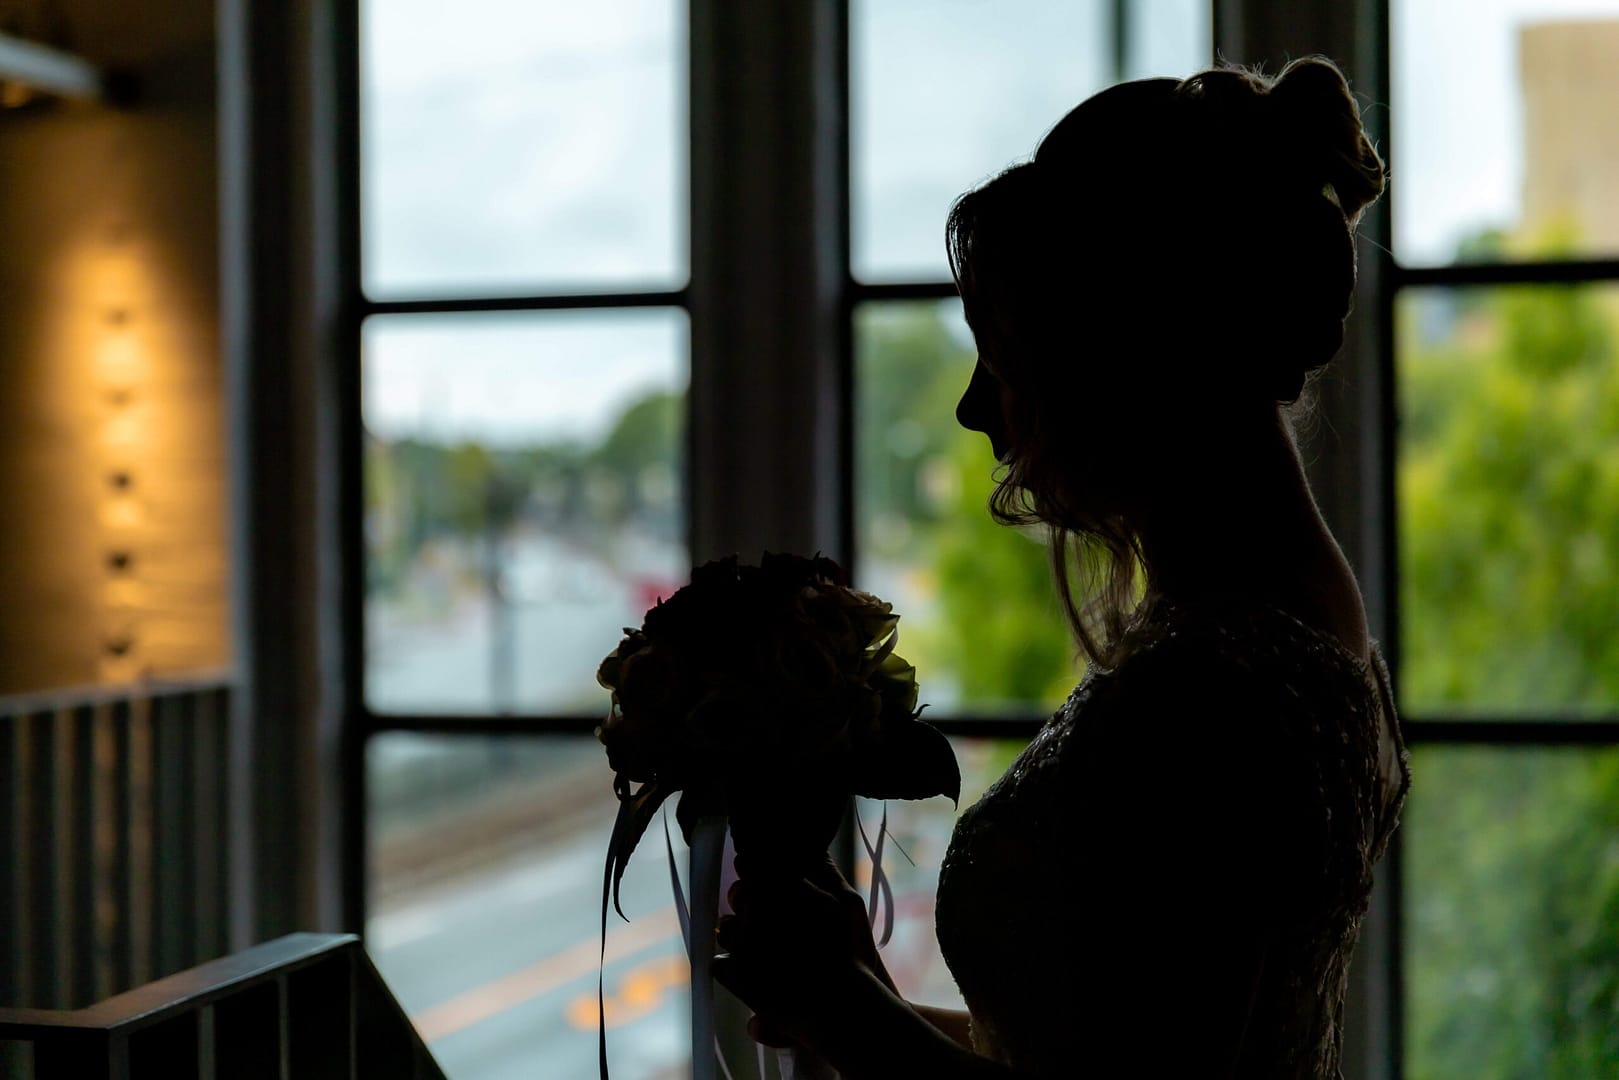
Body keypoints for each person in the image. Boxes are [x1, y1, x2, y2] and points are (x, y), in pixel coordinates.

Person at [713, 56, 1411, 1078]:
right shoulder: (1271, 615)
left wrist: (845, 1014)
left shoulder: (1215, 686)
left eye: (1002, 355)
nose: (973, 406)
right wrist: (861, 999)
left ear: (1120, 349)